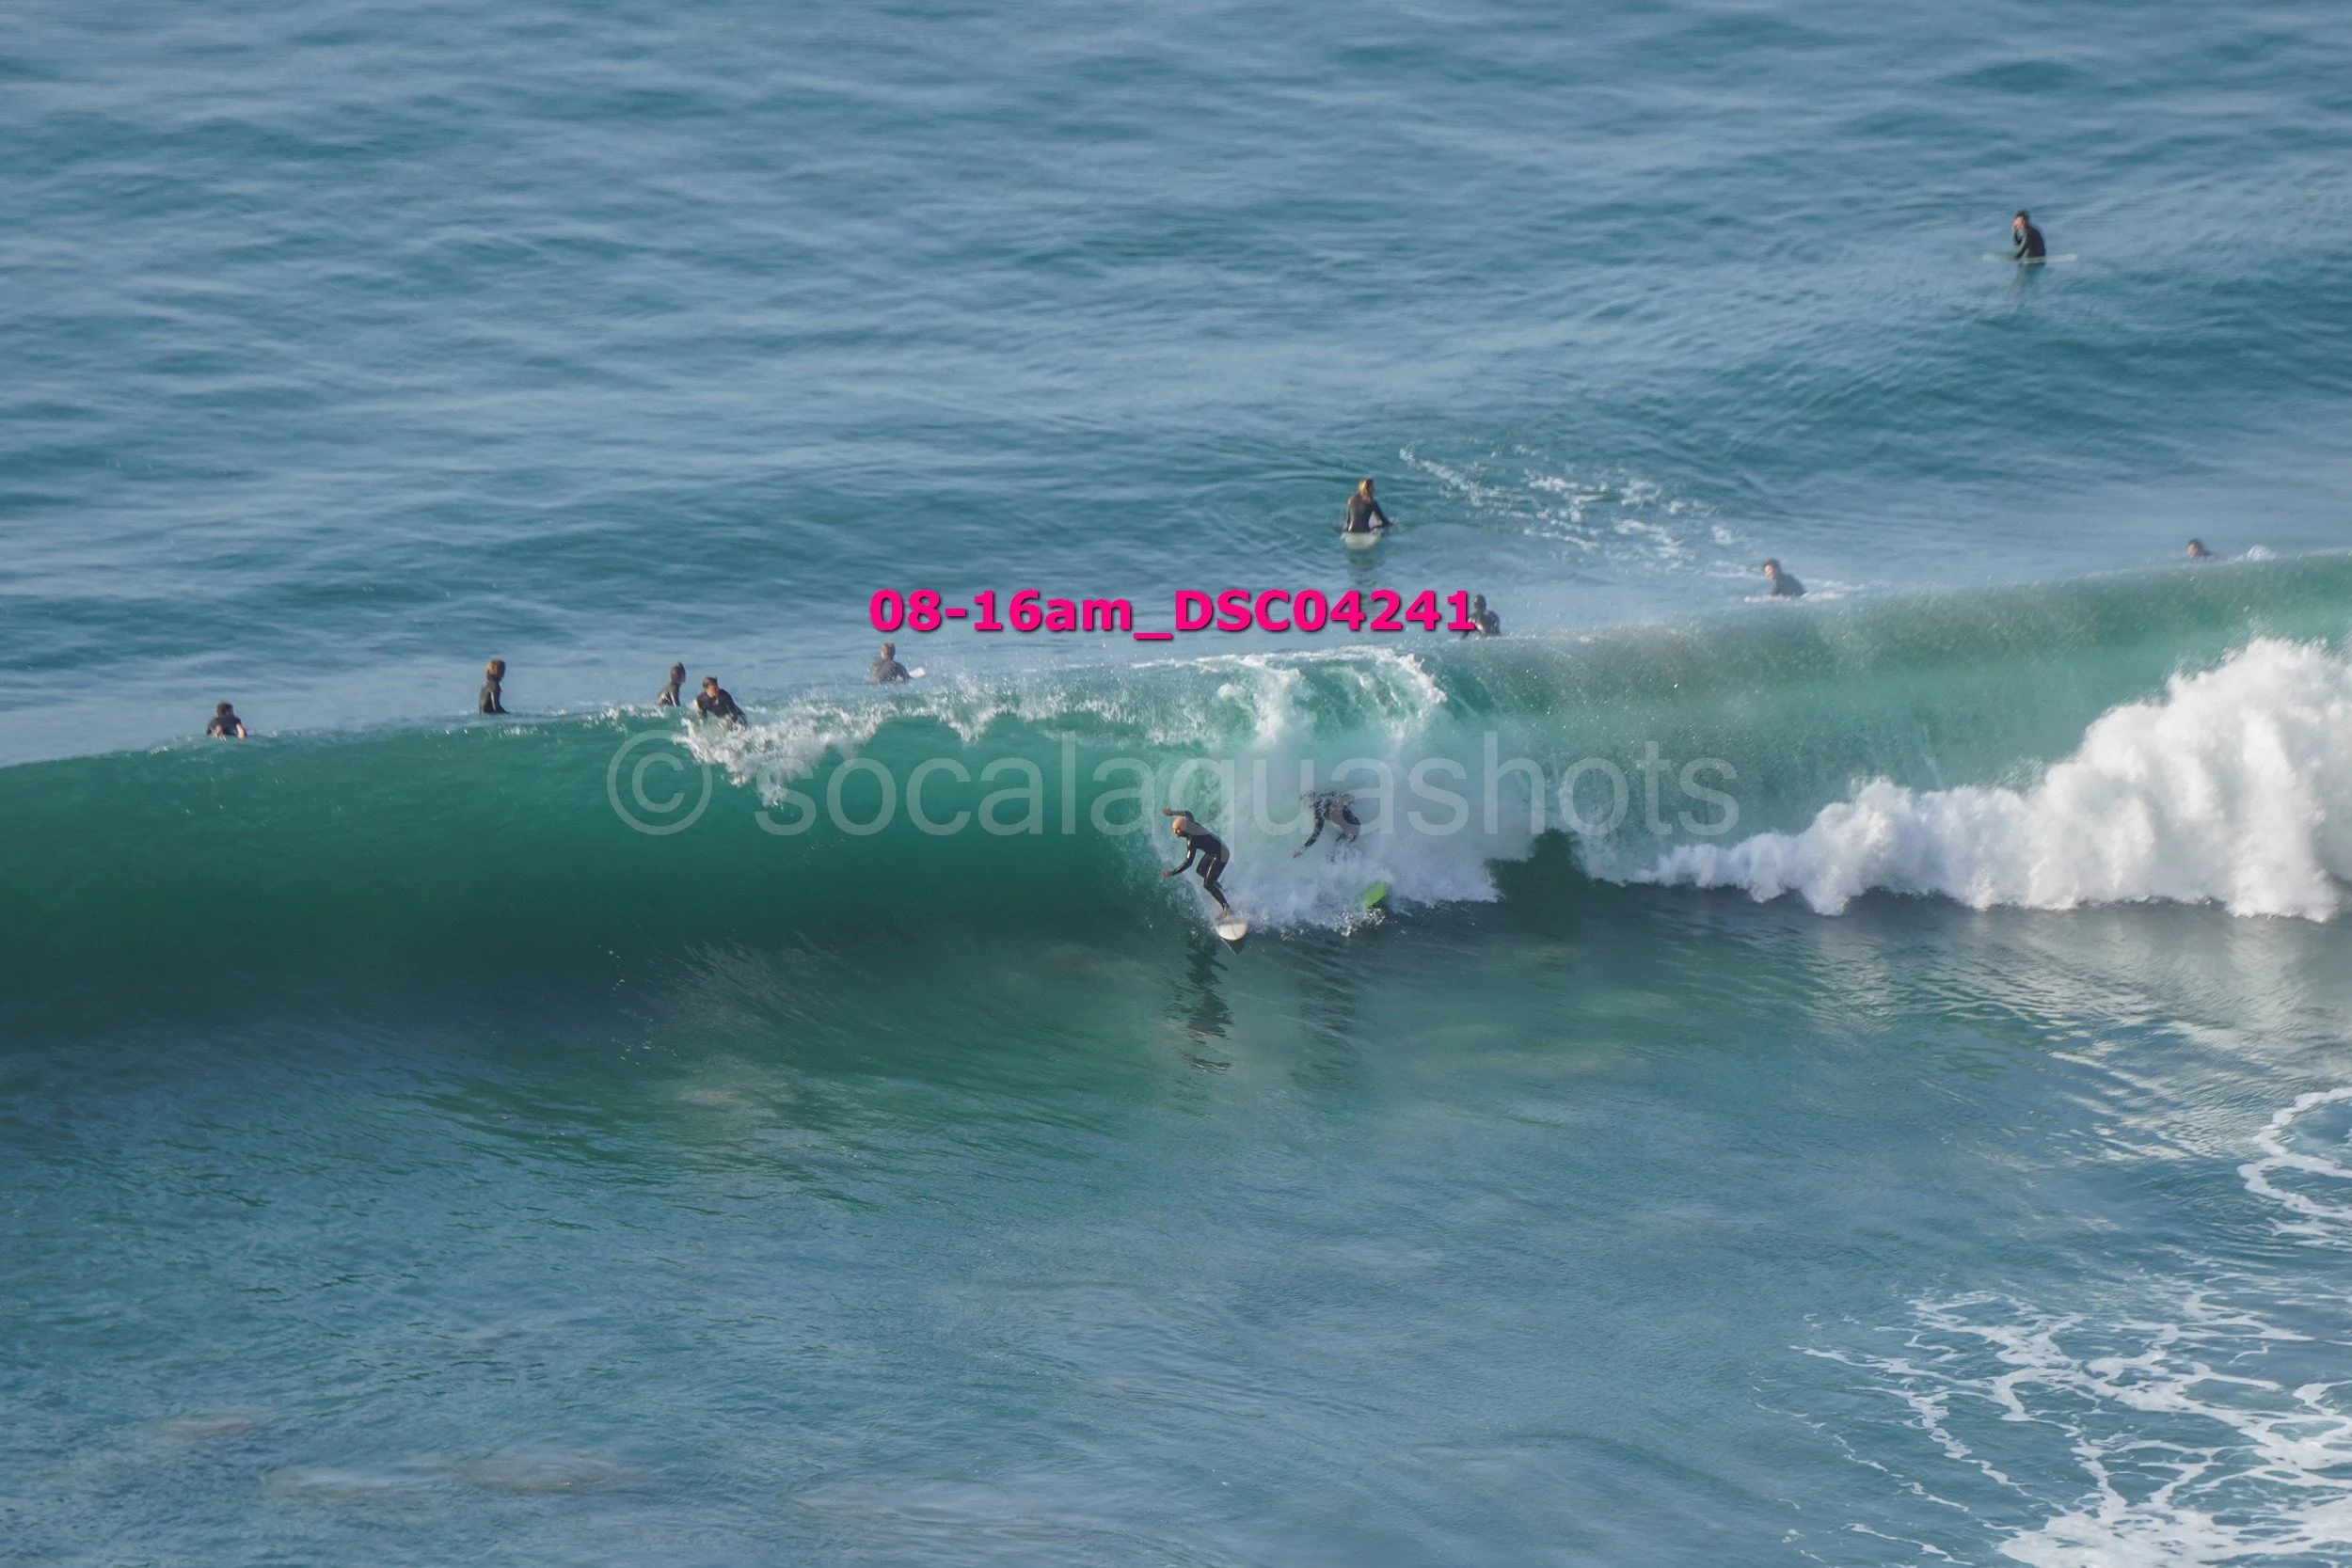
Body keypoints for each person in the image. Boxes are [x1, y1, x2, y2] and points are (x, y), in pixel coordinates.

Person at [1161, 808, 1234, 916]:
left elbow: (1188, 862)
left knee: (1207, 884)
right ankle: (1222, 890)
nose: (1174, 832)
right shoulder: (1189, 822)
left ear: (1182, 829)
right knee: (1200, 870)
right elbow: (1188, 813)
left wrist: (1173, 872)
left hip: (1221, 854)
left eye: (1176, 829)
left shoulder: (1192, 839)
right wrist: (1172, 813)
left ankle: (1227, 909)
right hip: (1216, 851)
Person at [1295, 791, 1360, 857]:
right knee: (1343, 847)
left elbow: (1316, 835)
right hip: (1356, 823)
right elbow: (1338, 795)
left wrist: (1302, 849)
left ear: (1310, 805)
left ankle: (1357, 854)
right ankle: (1357, 851)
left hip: (1350, 831)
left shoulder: (1319, 811)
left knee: (1334, 856)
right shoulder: (1325, 797)